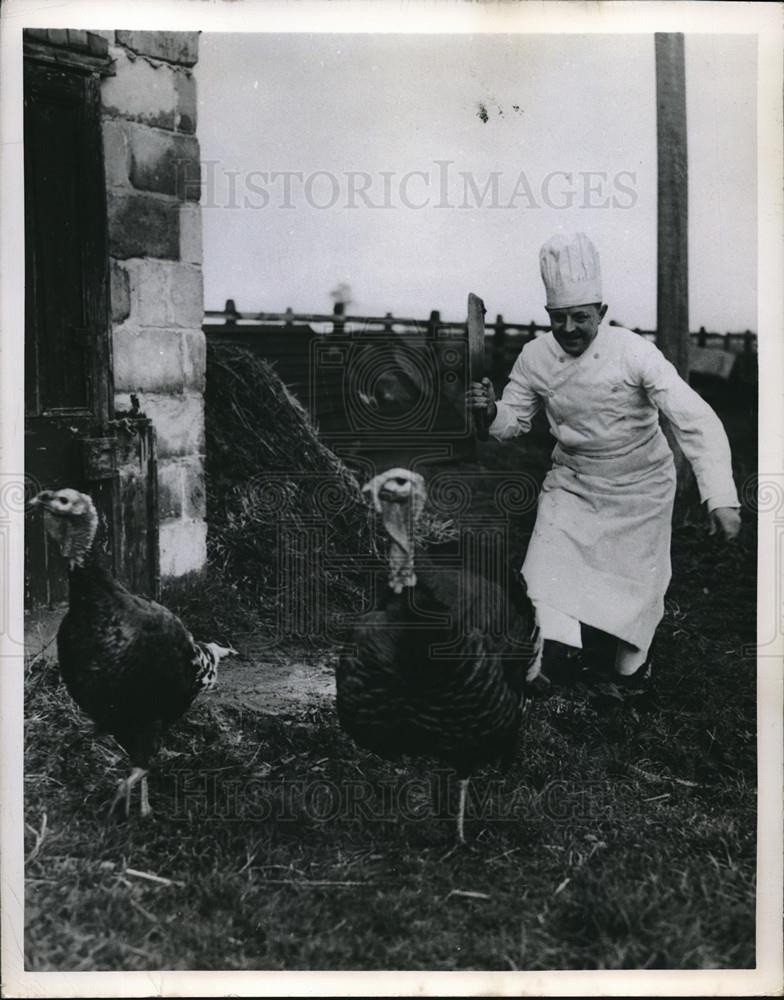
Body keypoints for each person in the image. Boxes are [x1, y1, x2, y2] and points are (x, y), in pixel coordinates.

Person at [466, 232, 741, 690]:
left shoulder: (634, 352)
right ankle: (552, 663)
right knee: (547, 566)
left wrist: (721, 496)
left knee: (634, 591)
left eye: (581, 317)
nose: (570, 328)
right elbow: (512, 420)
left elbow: (694, 419)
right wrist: (491, 411)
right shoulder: (536, 356)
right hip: (573, 479)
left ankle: (627, 668)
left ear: (602, 314)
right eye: (559, 318)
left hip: (642, 484)